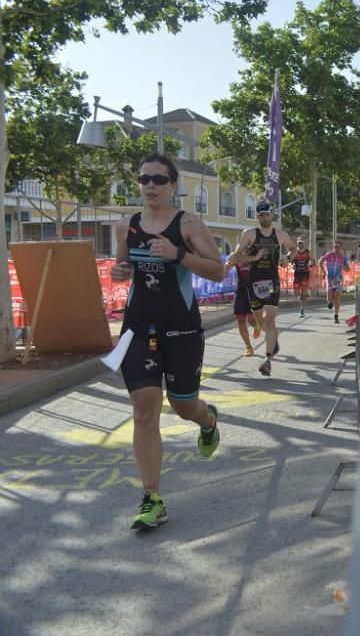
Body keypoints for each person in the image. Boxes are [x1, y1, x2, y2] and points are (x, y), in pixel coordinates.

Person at [110, 153, 227, 530]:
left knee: (182, 406)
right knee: (144, 409)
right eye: (145, 179)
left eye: (159, 180)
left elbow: (218, 269)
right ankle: (152, 498)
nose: (150, 186)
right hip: (138, 328)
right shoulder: (125, 225)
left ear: (173, 186)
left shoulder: (188, 223)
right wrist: (120, 271)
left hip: (181, 328)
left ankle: (207, 420)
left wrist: (178, 254)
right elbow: (122, 270)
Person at [231, 201, 297, 377]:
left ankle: (267, 360)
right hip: (253, 284)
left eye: (266, 214)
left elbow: (293, 248)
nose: (264, 217)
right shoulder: (249, 234)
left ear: (271, 214)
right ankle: (272, 337)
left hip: (271, 283)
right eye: (260, 215)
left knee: (270, 321)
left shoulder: (280, 234)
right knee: (257, 322)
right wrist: (255, 257)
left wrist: (288, 260)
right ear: (257, 217)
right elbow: (236, 256)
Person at [224, 255, 262, 357]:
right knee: (240, 320)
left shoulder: (254, 256)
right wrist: (227, 266)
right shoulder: (236, 257)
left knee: (250, 319)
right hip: (240, 293)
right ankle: (249, 348)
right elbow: (226, 269)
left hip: (253, 291)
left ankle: (256, 326)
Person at [319, 240, 348, 323]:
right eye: (334, 247)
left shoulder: (343, 258)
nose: (336, 248)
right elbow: (320, 262)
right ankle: (329, 302)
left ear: (341, 248)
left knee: (337, 296)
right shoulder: (329, 254)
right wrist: (323, 271)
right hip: (329, 278)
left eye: (337, 247)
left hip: (338, 279)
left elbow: (348, 269)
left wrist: (343, 266)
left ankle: (336, 315)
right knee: (330, 295)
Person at [290, 237, 314, 319]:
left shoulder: (308, 252)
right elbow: (288, 260)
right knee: (296, 293)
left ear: (304, 243)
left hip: (305, 274)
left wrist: (310, 264)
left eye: (301, 242)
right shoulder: (294, 251)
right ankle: (303, 295)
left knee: (303, 294)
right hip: (297, 274)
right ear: (297, 242)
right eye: (299, 242)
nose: (300, 244)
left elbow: (313, 262)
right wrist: (291, 265)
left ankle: (302, 310)